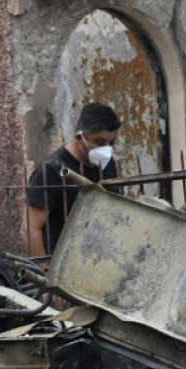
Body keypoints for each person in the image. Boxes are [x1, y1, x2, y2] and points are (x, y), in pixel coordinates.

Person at [23, 103, 121, 259]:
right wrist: (44, 273)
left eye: (112, 143)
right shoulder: (51, 171)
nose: (107, 149)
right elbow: (30, 229)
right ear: (79, 137)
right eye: (100, 142)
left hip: (101, 260)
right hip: (62, 264)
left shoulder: (108, 165)